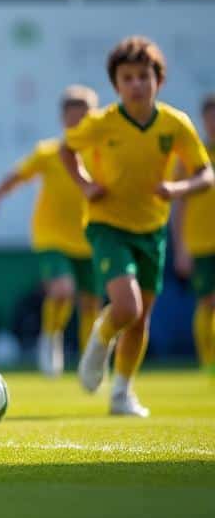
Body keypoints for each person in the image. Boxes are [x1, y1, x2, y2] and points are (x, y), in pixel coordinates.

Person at [65, 36, 212, 416]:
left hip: (152, 229)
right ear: (116, 85)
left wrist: (176, 188)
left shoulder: (174, 124)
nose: (136, 85)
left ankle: (122, 393)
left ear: (158, 80)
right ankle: (101, 335)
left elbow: (205, 174)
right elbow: (68, 149)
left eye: (143, 76)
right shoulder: (102, 122)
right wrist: (85, 184)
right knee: (126, 307)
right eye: (127, 78)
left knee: (140, 318)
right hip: (108, 224)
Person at [0, 85, 101, 376]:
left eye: (84, 117)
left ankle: (91, 361)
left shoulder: (101, 154)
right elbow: (16, 175)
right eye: (73, 117)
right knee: (62, 290)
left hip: (89, 237)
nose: (78, 123)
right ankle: (50, 337)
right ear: (63, 119)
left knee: (91, 303)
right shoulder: (49, 153)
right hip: (51, 235)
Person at [172, 95, 215, 375]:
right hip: (199, 242)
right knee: (207, 301)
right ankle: (208, 362)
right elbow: (179, 205)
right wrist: (181, 248)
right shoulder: (192, 156)